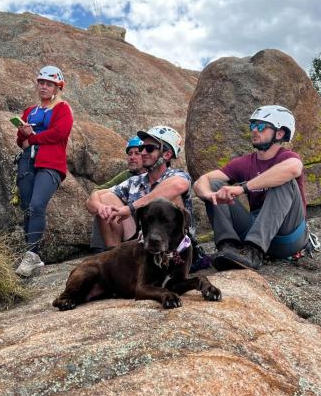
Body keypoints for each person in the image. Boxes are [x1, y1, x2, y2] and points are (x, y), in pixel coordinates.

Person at [193, 105, 308, 270]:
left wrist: (243, 188)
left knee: (284, 180)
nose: (254, 130)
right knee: (215, 185)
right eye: (252, 125)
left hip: (288, 238)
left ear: (280, 133)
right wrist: (209, 195)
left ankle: (253, 253)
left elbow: (293, 168)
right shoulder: (245, 162)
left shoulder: (288, 157)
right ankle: (229, 248)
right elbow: (202, 180)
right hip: (252, 230)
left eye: (261, 126)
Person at [86, 126, 193, 248]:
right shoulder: (135, 181)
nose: (142, 153)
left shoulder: (177, 175)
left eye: (149, 148)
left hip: (172, 244)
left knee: (171, 198)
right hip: (141, 240)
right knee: (107, 198)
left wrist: (130, 208)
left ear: (167, 155)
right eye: (142, 148)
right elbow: (95, 196)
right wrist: (101, 207)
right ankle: (115, 255)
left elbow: (178, 185)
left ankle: (169, 255)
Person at [13, 66, 74, 277]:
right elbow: (20, 141)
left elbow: (60, 133)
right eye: (41, 82)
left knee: (37, 205)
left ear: (58, 87)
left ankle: (31, 254)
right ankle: (33, 256)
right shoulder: (30, 111)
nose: (44, 87)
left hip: (50, 164)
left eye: (49, 84)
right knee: (27, 207)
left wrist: (33, 137)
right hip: (27, 162)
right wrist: (23, 134)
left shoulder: (63, 108)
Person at [88, 136, 146, 252]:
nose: (132, 157)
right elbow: (95, 192)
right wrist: (100, 207)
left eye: (137, 153)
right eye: (130, 154)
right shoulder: (127, 176)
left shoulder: (154, 177)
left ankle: (114, 251)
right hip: (122, 224)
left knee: (107, 198)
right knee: (102, 201)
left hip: (138, 226)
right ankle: (108, 250)